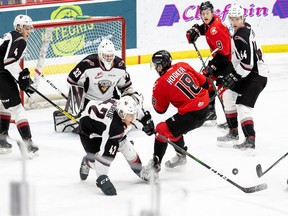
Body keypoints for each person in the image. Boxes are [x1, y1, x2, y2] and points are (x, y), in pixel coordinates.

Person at [141, 50, 209, 179]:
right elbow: (205, 83)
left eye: (156, 65)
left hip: (192, 114)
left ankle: (155, 166)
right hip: (205, 107)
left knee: (161, 130)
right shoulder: (183, 65)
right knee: (172, 128)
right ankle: (181, 156)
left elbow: (160, 109)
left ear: (161, 66)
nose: (155, 68)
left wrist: (158, 93)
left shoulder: (160, 83)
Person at [216, 3, 268, 156]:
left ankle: (250, 140)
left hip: (257, 74)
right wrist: (234, 74)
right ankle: (233, 132)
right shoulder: (244, 29)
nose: (234, 22)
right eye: (232, 19)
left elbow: (248, 64)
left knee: (243, 107)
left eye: (237, 19)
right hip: (250, 72)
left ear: (242, 18)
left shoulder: (240, 36)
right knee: (228, 95)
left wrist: (234, 76)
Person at [78, 96, 154, 195]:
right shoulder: (114, 127)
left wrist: (145, 119)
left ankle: (140, 170)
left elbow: (135, 109)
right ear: (122, 114)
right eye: (130, 115)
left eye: (133, 114)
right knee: (101, 156)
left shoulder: (124, 108)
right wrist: (102, 178)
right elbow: (105, 156)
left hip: (102, 123)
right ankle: (87, 161)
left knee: (125, 145)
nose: (134, 118)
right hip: (89, 132)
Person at [186, 1, 232, 126]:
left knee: (224, 91)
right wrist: (195, 30)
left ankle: (231, 121)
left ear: (212, 13)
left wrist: (212, 66)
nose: (205, 16)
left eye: (207, 13)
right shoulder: (210, 23)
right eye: (202, 14)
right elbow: (204, 28)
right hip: (221, 59)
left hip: (228, 62)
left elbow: (226, 53)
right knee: (207, 81)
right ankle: (211, 112)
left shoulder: (216, 28)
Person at [0, 14, 39, 158]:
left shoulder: (9, 36)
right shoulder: (19, 39)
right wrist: (22, 77)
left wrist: (22, 78)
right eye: (26, 27)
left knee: (4, 105)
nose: (29, 31)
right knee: (17, 108)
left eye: (30, 28)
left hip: (2, 74)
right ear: (18, 27)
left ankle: (1, 140)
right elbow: (9, 62)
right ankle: (28, 145)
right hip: (1, 75)